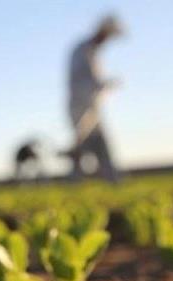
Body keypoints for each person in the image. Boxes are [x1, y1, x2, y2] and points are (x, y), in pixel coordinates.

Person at [64, 15, 123, 183]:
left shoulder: (93, 52)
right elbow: (81, 81)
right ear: (103, 32)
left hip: (92, 108)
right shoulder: (82, 50)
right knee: (82, 147)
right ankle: (75, 183)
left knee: (99, 146)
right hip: (80, 108)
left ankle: (112, 180)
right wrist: (104, 84)